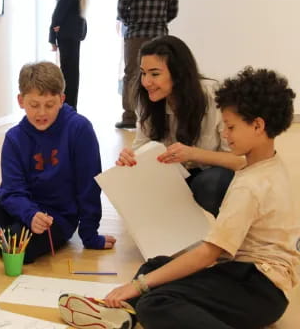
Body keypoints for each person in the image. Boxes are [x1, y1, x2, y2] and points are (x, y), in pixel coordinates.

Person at [59, 66, 299, 329]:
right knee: (156, 267)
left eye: (230, 127)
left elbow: (208, 254)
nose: (225, 134)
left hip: (257, 288)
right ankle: (124, 314)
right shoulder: (267, 165)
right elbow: (233, 165)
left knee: (155, 302)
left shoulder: (250, 186)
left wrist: (136, 285)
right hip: (253, 281)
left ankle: (136, 308)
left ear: (258, 125)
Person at [0, 61, 116, 263]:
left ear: (62, 99)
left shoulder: (80, 130)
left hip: (56, 215)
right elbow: (12, 190)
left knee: (13, 247)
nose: (42, 113)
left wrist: (89, 235)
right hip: (12, 203)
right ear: (21, 101)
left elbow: (89, 186)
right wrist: (29, 214)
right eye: (34, 105)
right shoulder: (14, 137)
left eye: (49, 105)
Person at [116, 35, 245, 217]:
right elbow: (142, 146)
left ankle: (211, 239)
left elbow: (240, 161)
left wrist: (193, 154)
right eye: (143, 73)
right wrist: (131, 157)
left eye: (155, 74)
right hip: (173, 175)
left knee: (209, 183)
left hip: (212, 173)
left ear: (178, 73)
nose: (146, 82)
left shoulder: (212, 96)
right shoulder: (147, 100)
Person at [116, 0, 178, 129]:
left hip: (135, 35)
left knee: (131, 75)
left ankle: (129, 117)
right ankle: (160, 115)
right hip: (160, 35)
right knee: (161, 73)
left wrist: (132, 22)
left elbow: (121, 11)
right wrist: (159, 21)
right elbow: (173, 12)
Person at [49, 0, 89, 111]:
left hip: (66, 35)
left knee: (68, 74)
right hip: (72, 35)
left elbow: (58, 14)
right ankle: (70, 108)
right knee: (72, 74)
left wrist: (52, 36)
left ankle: (67, 109)